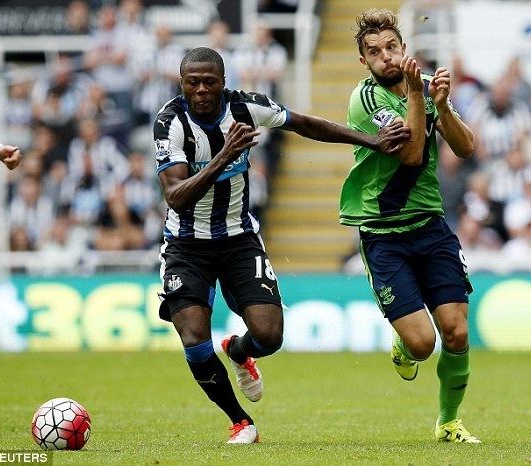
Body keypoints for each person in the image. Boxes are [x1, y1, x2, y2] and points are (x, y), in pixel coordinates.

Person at [154, 46, 409, 444]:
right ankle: (241, 422)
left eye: (210, 82)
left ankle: (239, 351)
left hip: (240, 240)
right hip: (186, 246)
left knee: (269, 337)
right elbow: (175, 195)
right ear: (182, 83)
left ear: (223, 83)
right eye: (193, 82)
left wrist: (371, 140)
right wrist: (225, 156)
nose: (201, 90)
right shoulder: (169, 123)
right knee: (193, 338)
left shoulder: (247, 107)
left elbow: (305, 124)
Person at [339, 9, 480, 443]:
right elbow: (413, 154)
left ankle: (449, 422)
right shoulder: (364, 101)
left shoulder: (423, 90)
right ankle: (404, 342)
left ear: (403, 49)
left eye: (391, 48)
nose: (385, 57)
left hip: (430, 226)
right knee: (423, 344)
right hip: (383, 235)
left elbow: (467, 147)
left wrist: (441, 106)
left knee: (456, 331)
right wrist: (421, 97)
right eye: (374, 52)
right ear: (364, 62)